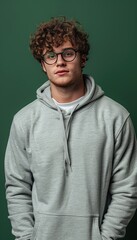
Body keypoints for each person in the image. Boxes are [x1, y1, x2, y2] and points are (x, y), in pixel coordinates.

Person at [5, 16, 137, 240]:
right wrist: (27, 237)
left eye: (67, 53)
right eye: (50, 55)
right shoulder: (24, 120)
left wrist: (106, 237)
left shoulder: (116, 117)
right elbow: (17, 187)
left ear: (82, 57)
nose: (59, 62)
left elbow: (127, 188)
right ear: (43, 64)